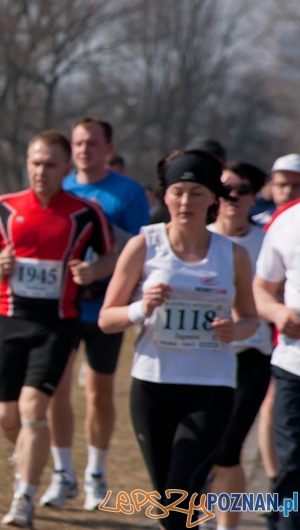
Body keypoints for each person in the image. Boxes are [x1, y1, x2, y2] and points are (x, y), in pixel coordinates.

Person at [98, 150, 258, 530]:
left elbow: (251, 318)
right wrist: (141, 308)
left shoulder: (232, 255)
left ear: (214, 200)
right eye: (178, 191)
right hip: (153, 385)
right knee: (172, 505)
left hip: (210, 387)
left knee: (177, 495)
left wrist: (236, 330)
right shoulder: (144, 245)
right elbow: (107, 318)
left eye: (197, 192)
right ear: (164, 196)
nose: (186, 201)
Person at [0, 130, 116, 528]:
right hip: (10, 318)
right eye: (35, 163)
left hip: (58, 322)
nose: (41, 171)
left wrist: (93, 270)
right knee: (6, 417)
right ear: (27, 164)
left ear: (66, 169)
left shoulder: (84, 212)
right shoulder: (5, 206)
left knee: (34, 409)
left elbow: (111, 255)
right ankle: (37, 462)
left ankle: (24, 498)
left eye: (50, 164)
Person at [42, 117, 149, 510]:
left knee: (100, 394)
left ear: (108, 147)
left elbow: (141, 249)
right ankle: (62, 472)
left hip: (107, 308)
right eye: (78, 143)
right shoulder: (61, 185)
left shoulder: (127, 192)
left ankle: (96, 475)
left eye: (92, 143)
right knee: (57, 389)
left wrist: (101, 269)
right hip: (62, 307)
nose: (84, 149)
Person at [206, 162, 273, 530]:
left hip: (252, 356)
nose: (232, 197)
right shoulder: (200, 239)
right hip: (202, 357)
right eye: (225, 189)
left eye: (241, 190)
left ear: (255, 195)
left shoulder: (267, 241)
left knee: (228, 450)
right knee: (202, 452)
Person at [253, 198, 300, 530]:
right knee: (293, 465)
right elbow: (261, 288)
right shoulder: (289, 221)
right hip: (293, 367)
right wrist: (278, 312)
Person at [252, 154, 300, 226]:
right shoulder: (256, 225)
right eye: (282, 185)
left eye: (296, 186)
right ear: (272, 186)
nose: (288, 192)